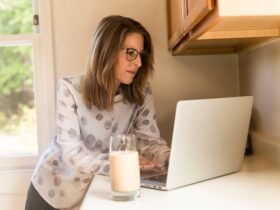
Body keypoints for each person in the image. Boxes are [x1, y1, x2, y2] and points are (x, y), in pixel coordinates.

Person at [25, 15, 170, 210]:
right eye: (130, 53)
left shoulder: (141, 92)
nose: (138, 63)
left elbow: (148, 142)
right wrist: (124, 164)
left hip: (95, 192)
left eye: (140, 54)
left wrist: (171, 158)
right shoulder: (69, 89)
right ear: (106, 51)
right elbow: (72, 153)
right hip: (52, 191)